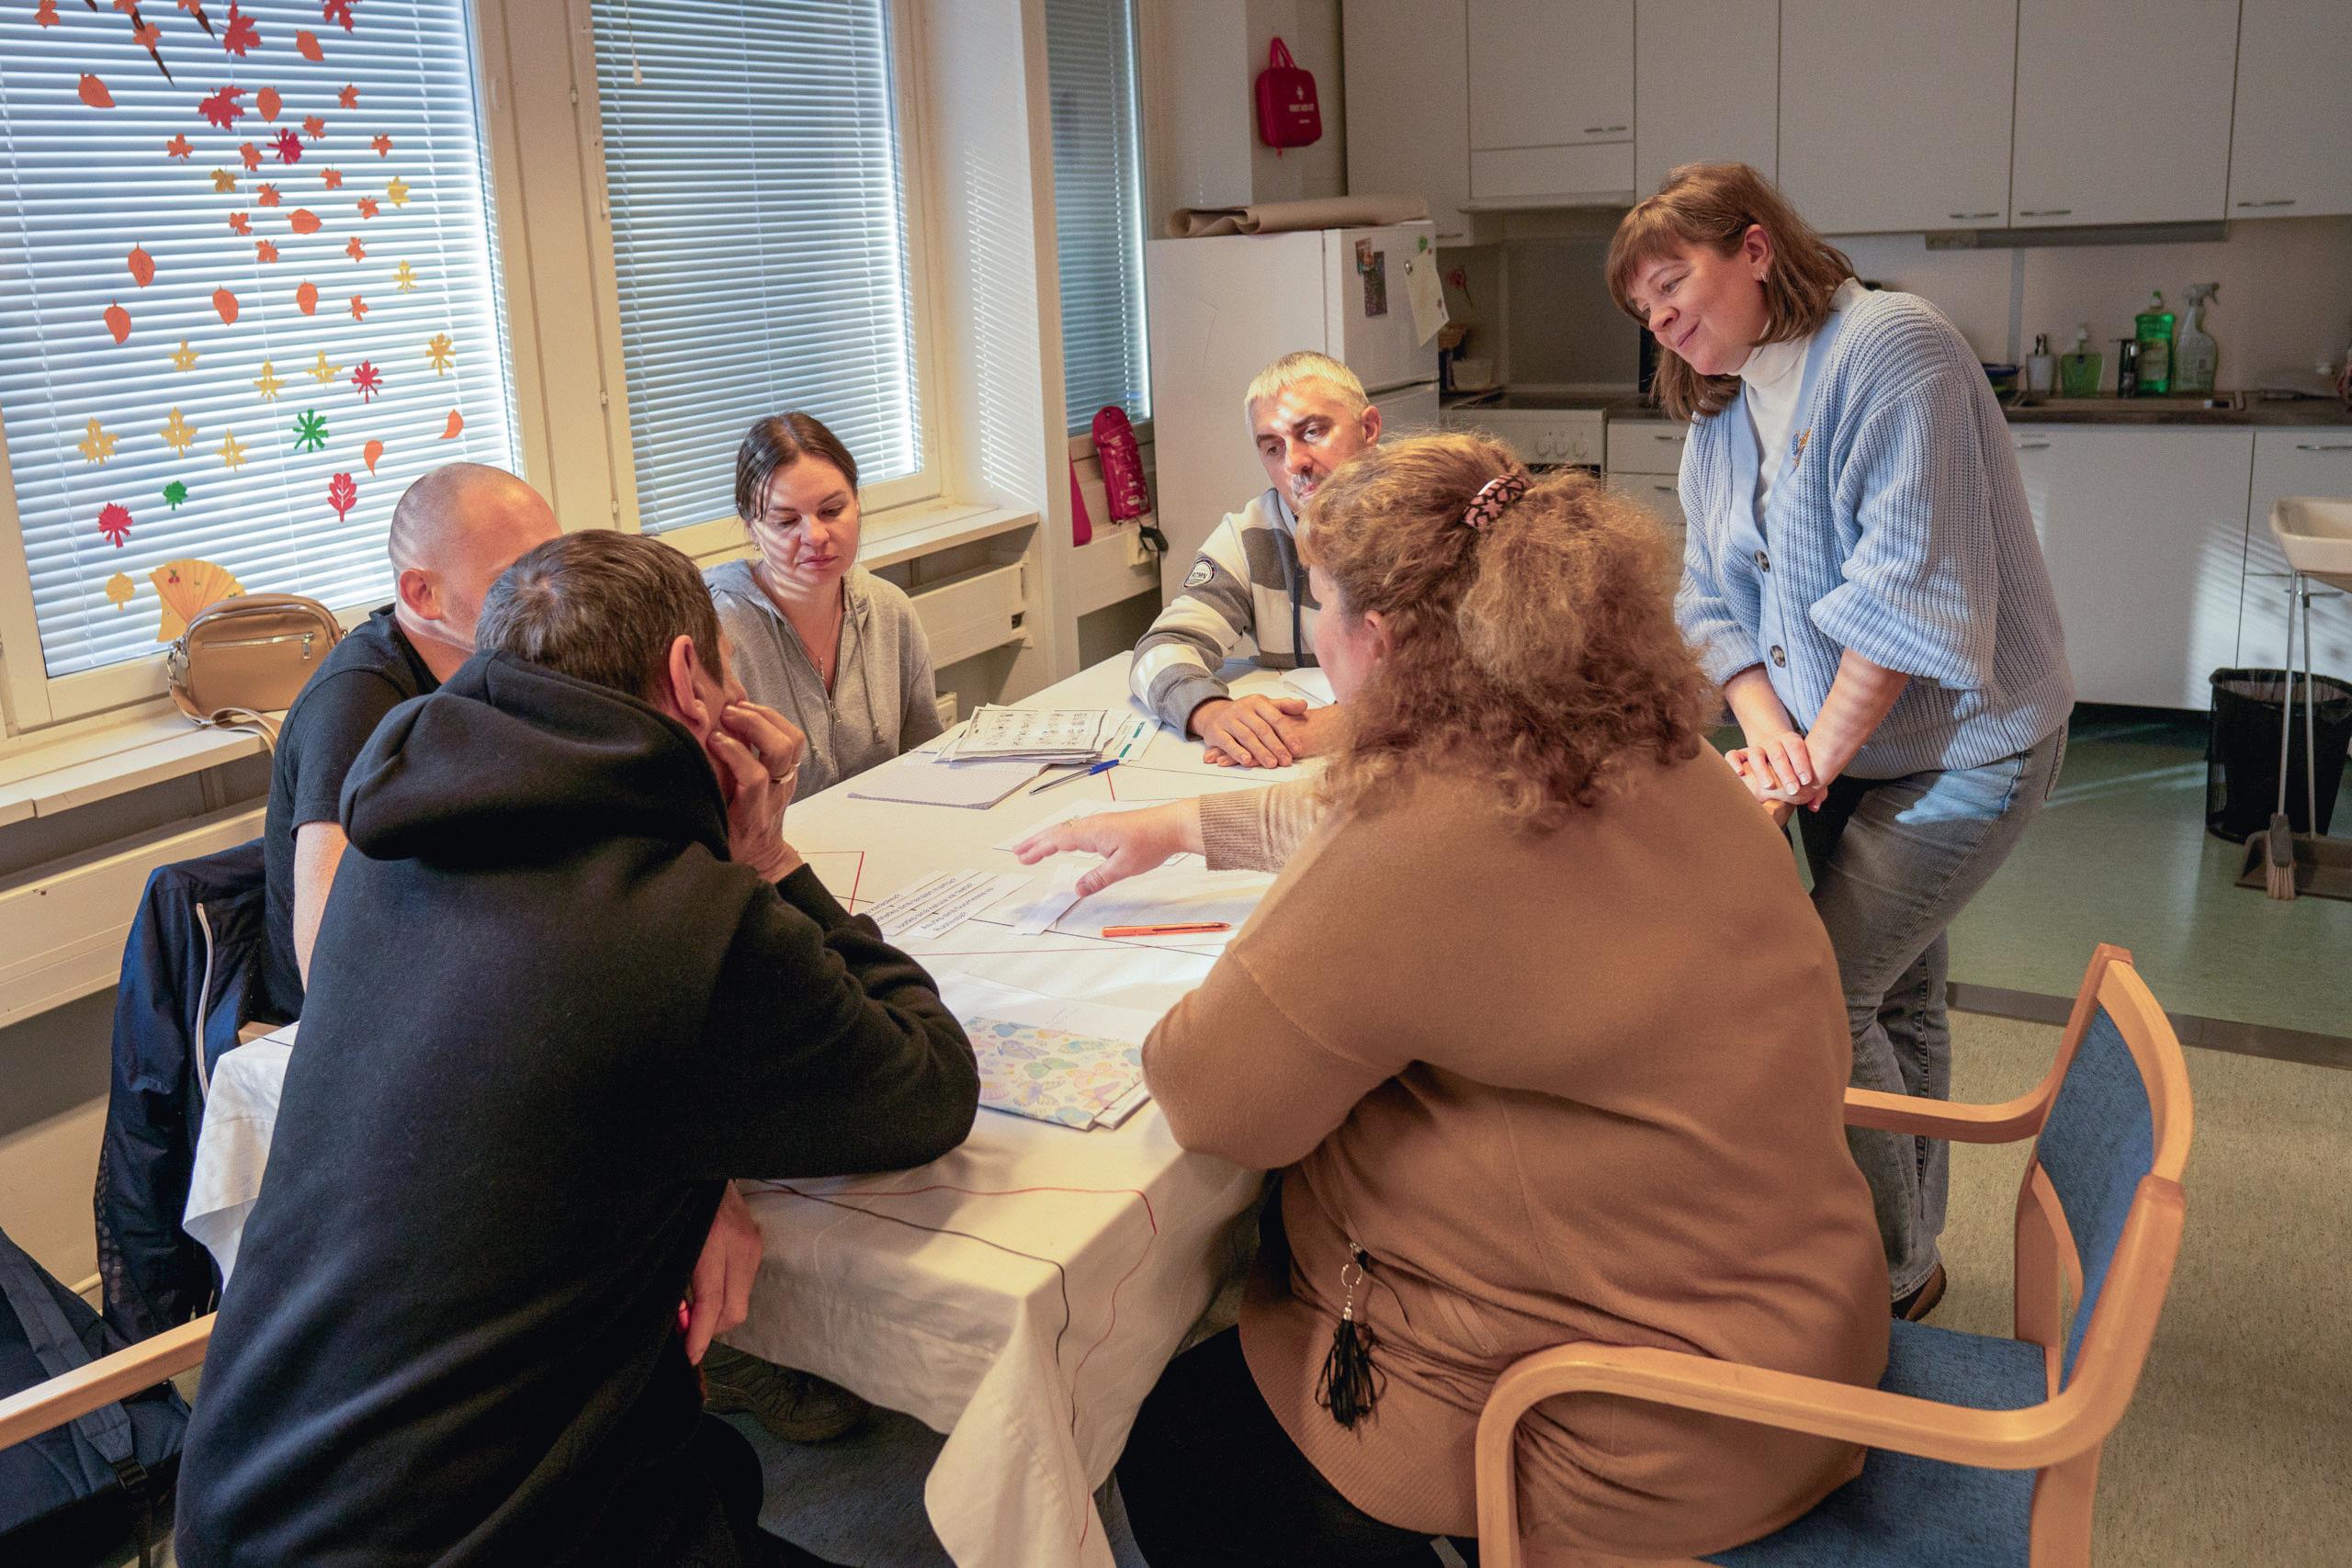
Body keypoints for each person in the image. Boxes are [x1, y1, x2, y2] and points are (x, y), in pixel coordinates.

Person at [1023, 435, 1889, 1565]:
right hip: (1795, 1328)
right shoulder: (1642, 746)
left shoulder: (1422, 834)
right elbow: (1396, 840)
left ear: (1377, 640)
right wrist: (1192, 826)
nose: (1318, 643)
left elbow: (1212, 1098)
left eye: (1323, 611)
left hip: (1634, 1426)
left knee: (1174, 1435)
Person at [177, 531, 981, 1568]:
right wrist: (766, 858)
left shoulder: (387, 858)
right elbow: (926, 1086)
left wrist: (704, 1176)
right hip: (476, 1536)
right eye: (728, 667)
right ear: (691, 679)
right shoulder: (686, 920)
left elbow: (549, 1077)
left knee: (722, 1476)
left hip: (250, 1502)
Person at [1610, 163, 2074, 1321]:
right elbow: (1709, 598)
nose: (1661, 320)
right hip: (1847, 750)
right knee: (1895, 1001)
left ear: (1754, 249)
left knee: (1823, 991)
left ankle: (1888, 1275)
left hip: (1969, 743)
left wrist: (1810, 755)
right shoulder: (1720, 410)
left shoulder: (1891, 350)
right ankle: (1912, 1254)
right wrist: (1774, 739)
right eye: (1643, 308)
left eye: (1673, 284)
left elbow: (1906, 589)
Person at [260, 462, 559, 1017]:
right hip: (342, 1021)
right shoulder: (356, 701)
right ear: (422, 595)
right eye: (512, 579)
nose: (550, 597)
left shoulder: (500, 657)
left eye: (555, 566)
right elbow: (325, 962)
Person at [1129, 350, 1379, 769]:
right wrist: (1210, 712)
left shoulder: (1432, 521)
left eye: (1312, 432)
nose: (1294, 462)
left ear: (1368, 429)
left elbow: (1466, 684)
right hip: (1287, 771)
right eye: (1273, 448)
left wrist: (1327, 729)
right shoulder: (1250, 534)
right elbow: (1162, 648)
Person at [707, 412, 944, 801]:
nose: (815, 536)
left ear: (857, 505)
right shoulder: (718, 631)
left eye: (832, 511)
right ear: (751, 526)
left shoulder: (889, 609)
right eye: (786, 521)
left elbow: (925, 758)